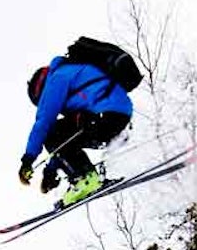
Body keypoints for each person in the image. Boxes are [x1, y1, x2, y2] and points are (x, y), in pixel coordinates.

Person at [18, 52, 133, 206]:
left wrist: (28, 160)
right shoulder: (71, 73)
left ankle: (85, 179)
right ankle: (85, 177)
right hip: (116, 118)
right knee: (63, 131)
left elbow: (44, 123)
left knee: (51, 133)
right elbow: (66, 141)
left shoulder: (56, 79)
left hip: (105, 117)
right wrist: (51, 170)